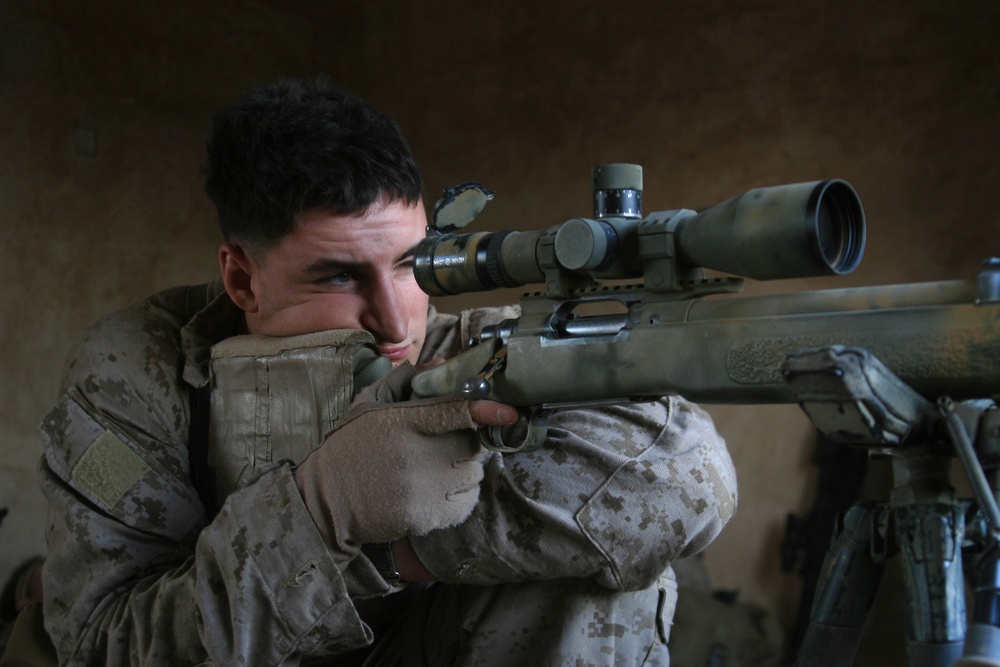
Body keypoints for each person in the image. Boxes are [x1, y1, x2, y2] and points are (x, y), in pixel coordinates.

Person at [34, 78, 737, 666]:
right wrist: (319, 512)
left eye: (412, 264)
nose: (397, 321)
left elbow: (688, 476)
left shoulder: (470, 341)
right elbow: (102, 643)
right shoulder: (136, 373)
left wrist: (392, 549)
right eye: (338, 276)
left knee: (589, 579)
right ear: (242, 279)